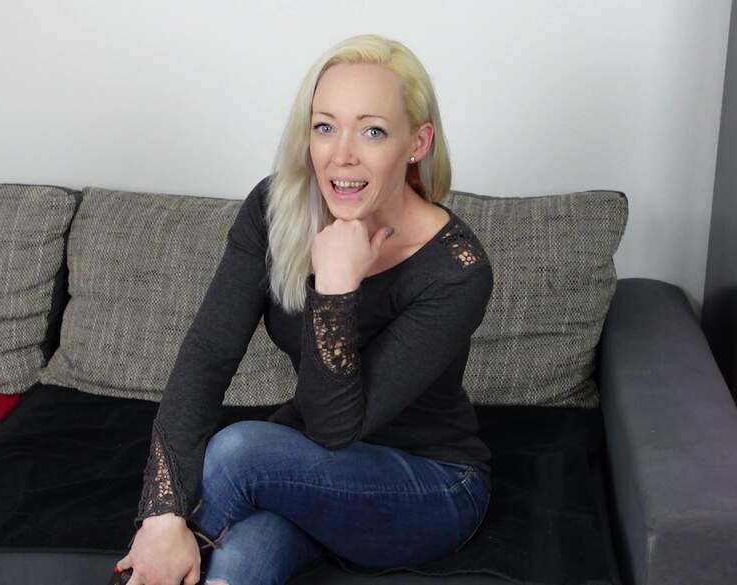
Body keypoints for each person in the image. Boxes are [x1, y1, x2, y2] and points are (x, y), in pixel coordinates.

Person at [111, 33, 494, 585]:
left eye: (372, 130)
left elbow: (335, 428)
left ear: (417, 142)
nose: (342, 154)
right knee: (238, 559)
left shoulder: (456, 269)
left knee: (237, 452)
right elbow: (208, 356)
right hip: (305, 469)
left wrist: (335, 288)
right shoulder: (276, 209)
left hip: (429, 486)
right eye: (325, 127)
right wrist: (161, 515)